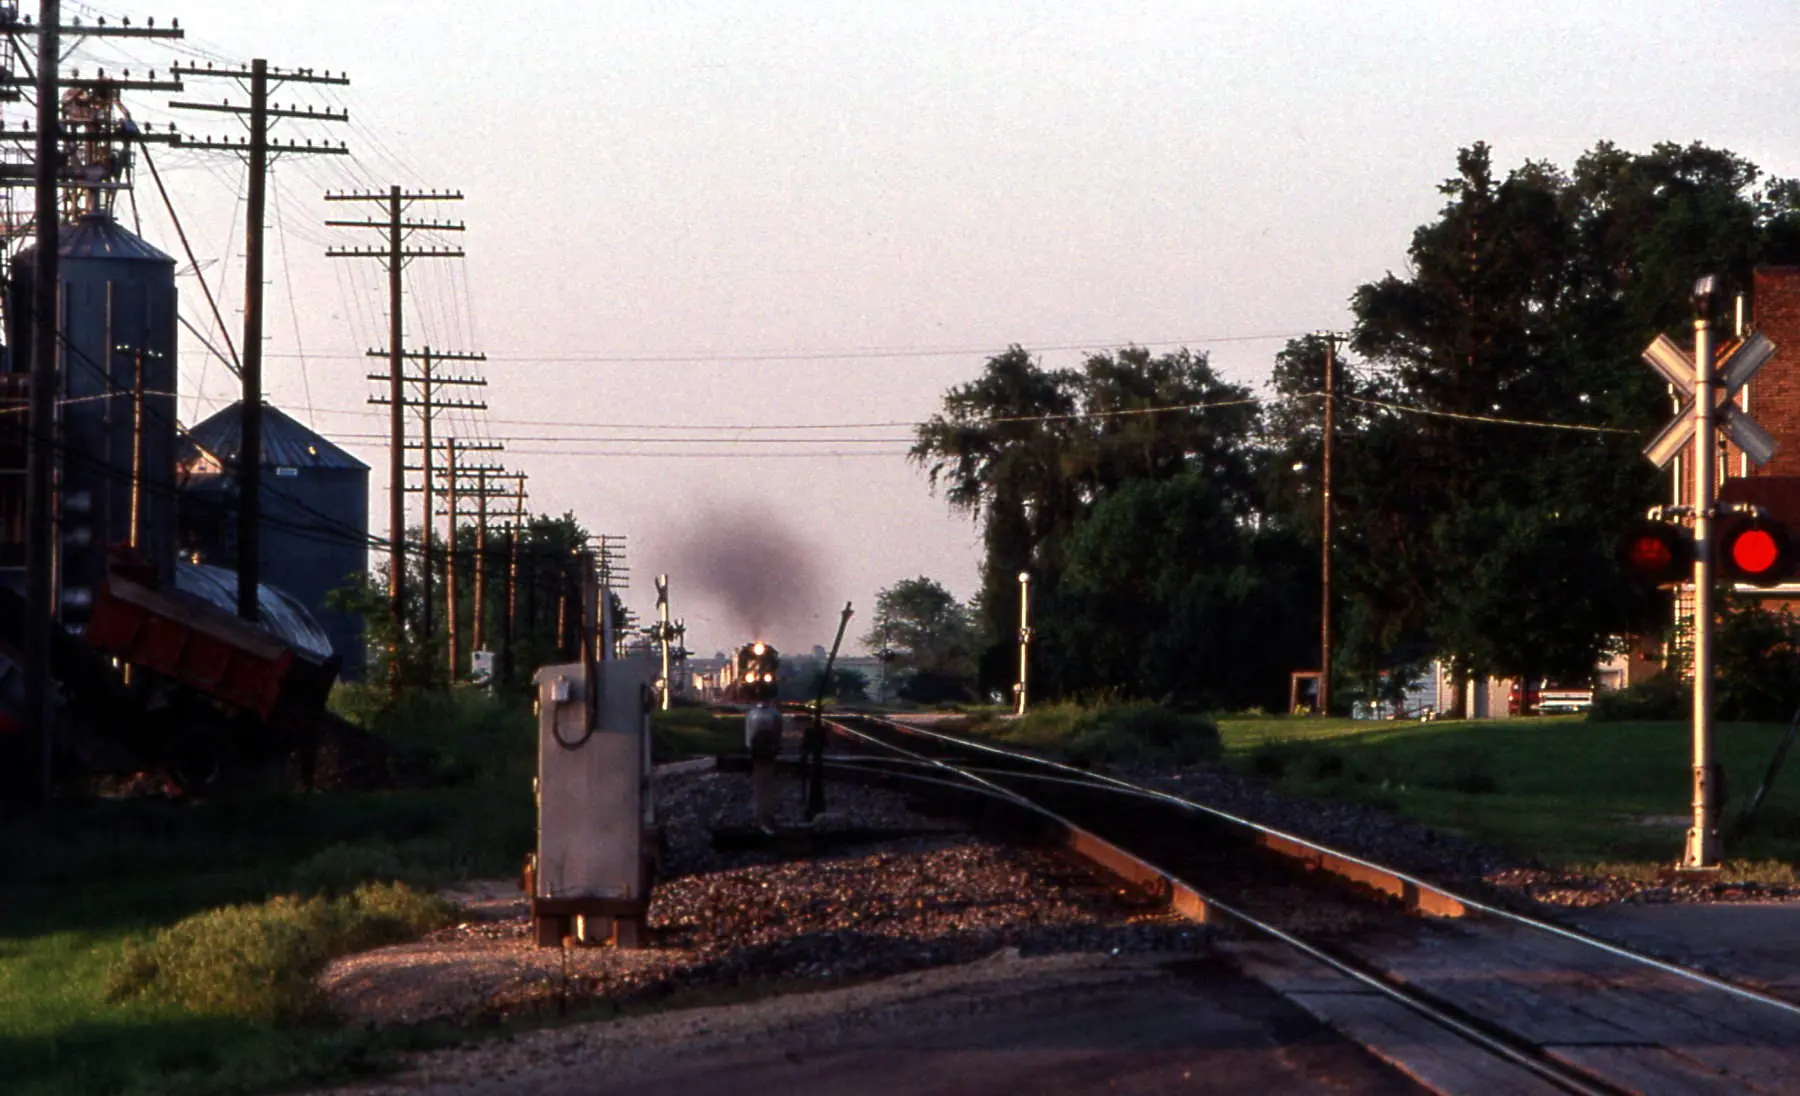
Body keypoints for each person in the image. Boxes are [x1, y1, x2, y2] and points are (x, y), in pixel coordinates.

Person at [745, 701, 783, 833]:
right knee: (767, 782)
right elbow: (778, 735)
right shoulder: (775, 714)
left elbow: (748, 740)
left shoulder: (752, 714)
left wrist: (752, 749)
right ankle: (766, 815)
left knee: (761, 782)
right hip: (769, 753)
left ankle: (762, 815)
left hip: (758, 753)